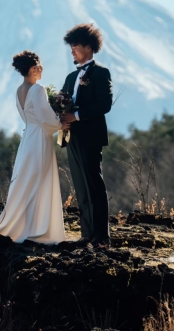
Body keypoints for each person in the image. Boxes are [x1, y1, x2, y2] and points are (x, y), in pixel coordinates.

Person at [0, 50, 67, 244]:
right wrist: (60, 124)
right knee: (39, 181)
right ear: (33, 68)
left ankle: (24, 224)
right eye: (40, 67)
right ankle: (36, 228)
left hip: (28, 139)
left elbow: (30, 116)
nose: (42, 70)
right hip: (40, 138)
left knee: (27, 180)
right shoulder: (37, 89)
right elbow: (46, 118)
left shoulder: (19, 91)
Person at [59, 24, 113, 248]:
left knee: (94, 186)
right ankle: (87, 234)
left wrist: (76, 116)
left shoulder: (101, 73)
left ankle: (102, 236)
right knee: (80, 186)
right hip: (72, 138)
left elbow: (105, 105)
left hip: (91, 136)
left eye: (76, 46)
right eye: (70, 46)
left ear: (89, 47)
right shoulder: (71, 77)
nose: (72, 50)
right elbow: (62, 101)